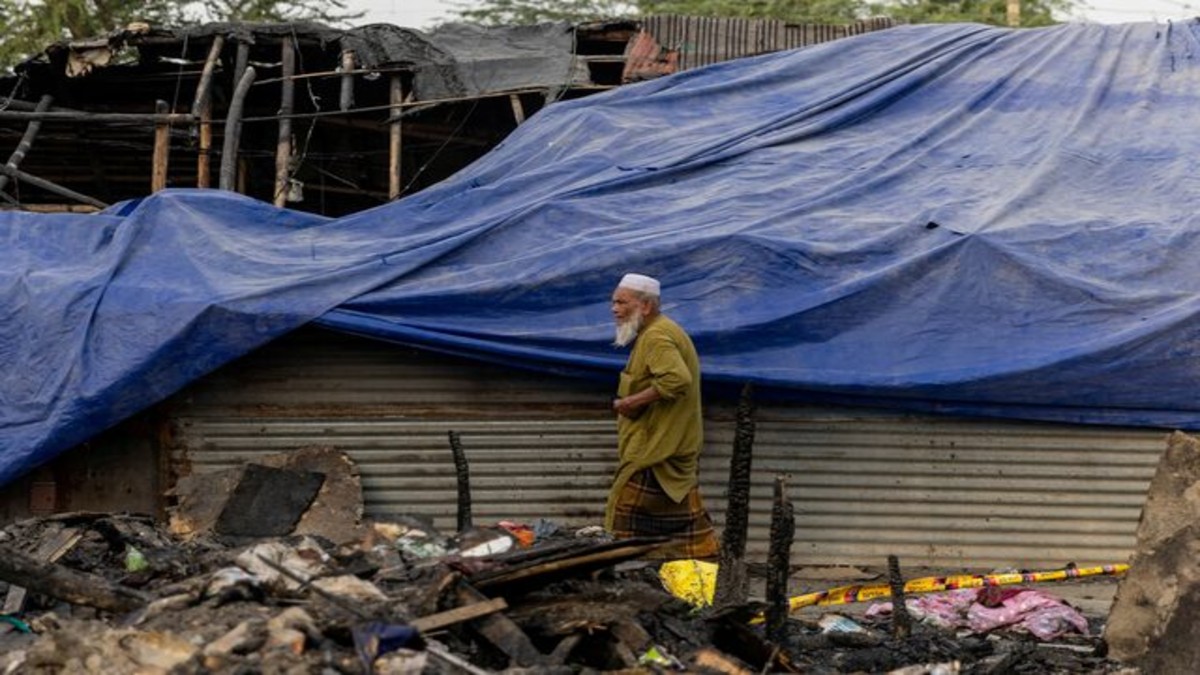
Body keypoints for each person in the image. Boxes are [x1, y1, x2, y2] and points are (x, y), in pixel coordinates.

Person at [604, 272, 719, 559]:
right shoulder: (658, 333)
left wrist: (630, 402)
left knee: (620, 526)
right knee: (683, 531)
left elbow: (677, 380)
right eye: (613, 302)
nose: (614, 309)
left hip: (655, 454)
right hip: (664, 454)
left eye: (622, 302)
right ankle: (702, 576)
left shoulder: (656, 336)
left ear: (645, 306)